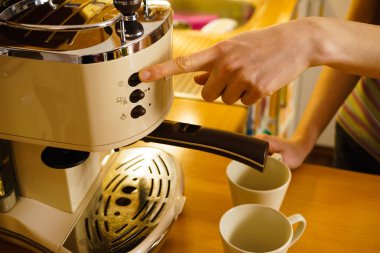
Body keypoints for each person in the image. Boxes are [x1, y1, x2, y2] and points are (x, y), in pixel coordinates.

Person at [138, 0, 380, 173]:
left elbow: (334, 41)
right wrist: (304, 138)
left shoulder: (314, 37)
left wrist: (312, 38)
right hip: (358, 130)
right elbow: (364, 23)